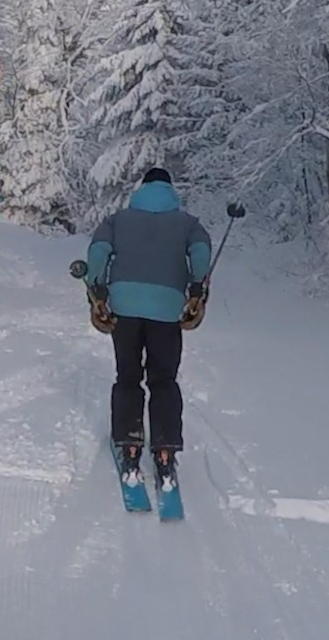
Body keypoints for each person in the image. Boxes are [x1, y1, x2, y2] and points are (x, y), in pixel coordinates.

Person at [84, 167, 212, 483]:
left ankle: (129, 444)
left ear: (140, 190)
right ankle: (165, 448)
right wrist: (197, 287)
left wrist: (97, 289)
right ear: (171, 191)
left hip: (124, 307)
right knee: (164, 379)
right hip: (168, 310)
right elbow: (201, 252)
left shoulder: (117, 220)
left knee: (128, 376)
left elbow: (97, 253)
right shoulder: (188, 223)